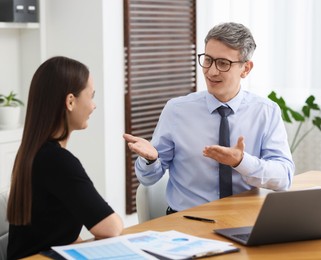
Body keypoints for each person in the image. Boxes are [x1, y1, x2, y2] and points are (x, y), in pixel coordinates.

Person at [124, 22, 294, 214]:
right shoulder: (177, 110)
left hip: (245, 221)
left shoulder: (266, 111)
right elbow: (148, 179)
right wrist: (151, 160)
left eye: (223, 63)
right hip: (186, 222)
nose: (211, 71)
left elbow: (283, 177)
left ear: (246, 68)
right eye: (208, 60)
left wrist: (241, 162)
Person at [7, 56, 123, 259]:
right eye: (91, 96)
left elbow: (57, 233)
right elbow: (111, 227)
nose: (94, 106)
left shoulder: (34, 152)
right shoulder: (57, 160)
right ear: (70, 101)